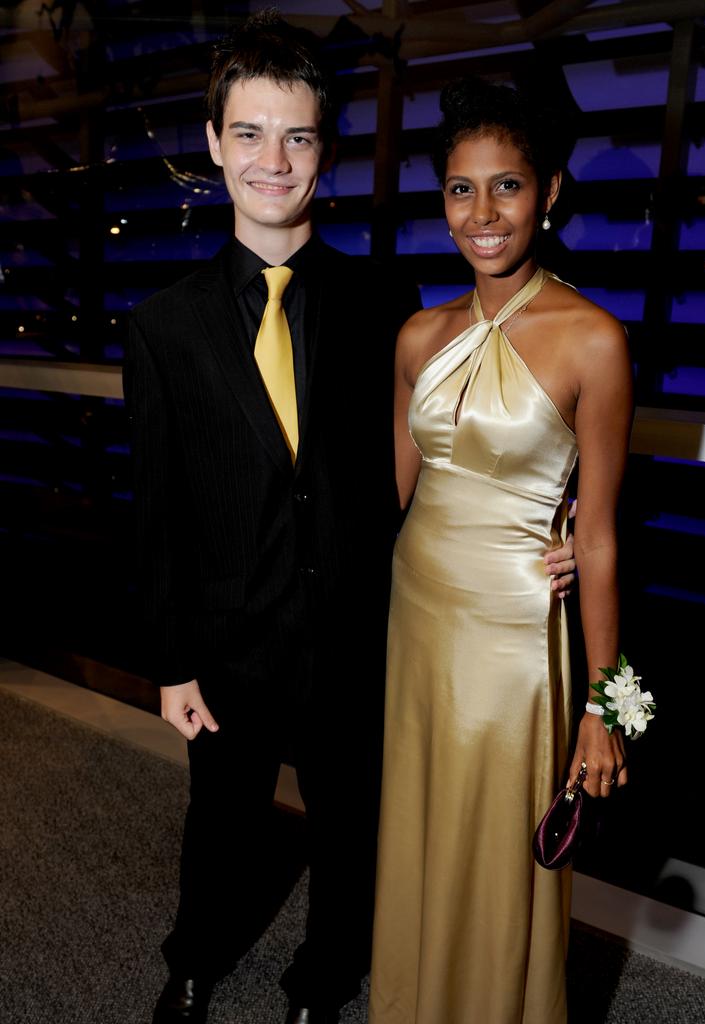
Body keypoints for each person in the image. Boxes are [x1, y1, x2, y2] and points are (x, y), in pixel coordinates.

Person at [124, 15, 578, 1023]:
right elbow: (157, 509)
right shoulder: (162, 326)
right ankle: (195, 958)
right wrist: (169, 659)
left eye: (296, 137)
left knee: (352, 828)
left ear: (324, 152)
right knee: (221, 822)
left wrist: (543, 527)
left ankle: (323, 978)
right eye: (248, 133)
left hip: (361, 637)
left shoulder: (389, 300)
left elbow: (449, 441)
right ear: (213, 143)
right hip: (230, 639)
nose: (271, 161)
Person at [369, 76, 634, 1024]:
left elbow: (598, 537)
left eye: (507, 187)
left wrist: (606, 708)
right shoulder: (417, 337)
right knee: (419, 829)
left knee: (496, 853)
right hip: (416, 621)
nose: (482, 214)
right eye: (460, 189)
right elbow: (383, 505)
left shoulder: (594, 340)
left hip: (517, 641)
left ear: (550, 191)